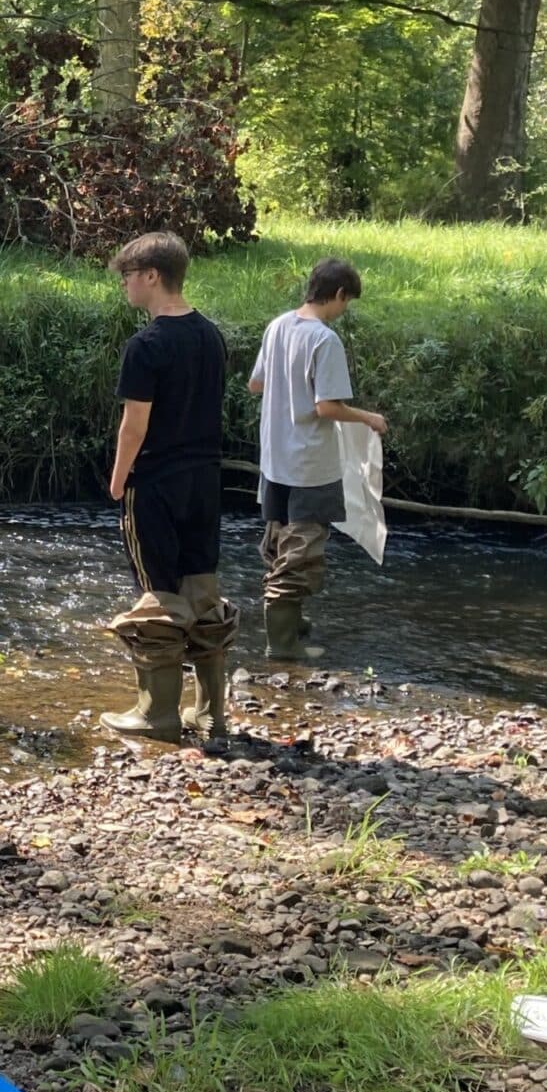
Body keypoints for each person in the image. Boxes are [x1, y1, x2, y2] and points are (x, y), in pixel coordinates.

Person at [102, 233, 236, 742]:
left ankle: (156, 714)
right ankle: (211, 714)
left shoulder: (146, 345)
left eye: (128, 276)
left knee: (158, 596)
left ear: (152, 276)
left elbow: (134, 425)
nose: (125, 285)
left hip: (156, 482)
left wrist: (118, 480)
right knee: (202, 591)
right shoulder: (211, 335)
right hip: (206, 480)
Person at [248, 258, 387, 661]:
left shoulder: (277, 326)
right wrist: (369, 418)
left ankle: (291, 624)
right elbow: (327, 407)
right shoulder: (325, 340)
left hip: (274, 461)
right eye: (347, 302)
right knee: (302, 552)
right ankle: (282, 645)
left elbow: (256, 384)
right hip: (309, 464)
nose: (345, 310)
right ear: (339, 294)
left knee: (279, 546)